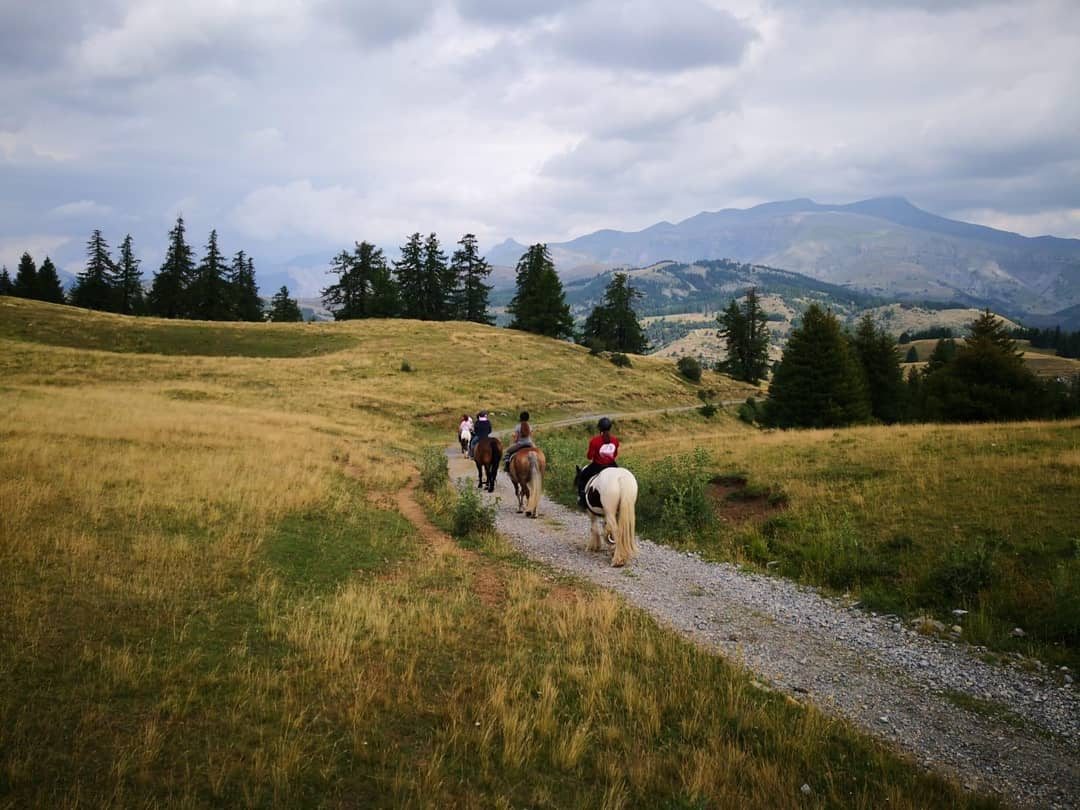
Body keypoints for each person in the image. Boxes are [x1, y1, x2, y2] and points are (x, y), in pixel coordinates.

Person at [578, 416, 619, 508]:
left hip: (598, 466)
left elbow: (589, 456)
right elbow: (615, 454)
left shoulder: (595, 441)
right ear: (610, 427)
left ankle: (582, 498)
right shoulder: (615, 440)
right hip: (612, 465)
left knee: (582, 476)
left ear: (599, 428)